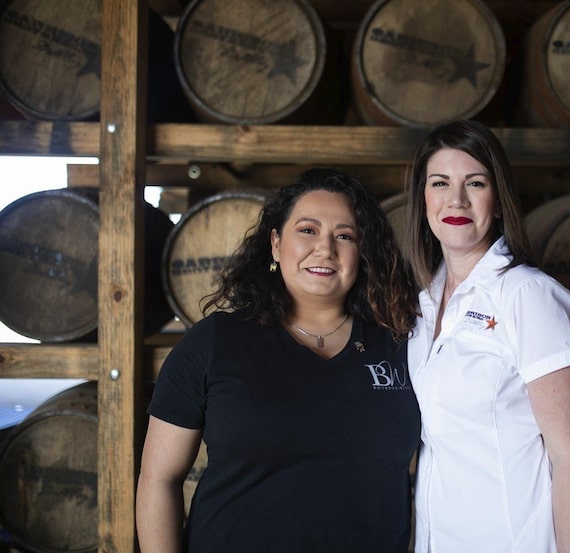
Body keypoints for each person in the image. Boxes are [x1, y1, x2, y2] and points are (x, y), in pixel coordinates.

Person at [136, 168, 421, 553]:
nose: (325, 248)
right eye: (308, 230)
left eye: (345, 235)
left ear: (362, 252)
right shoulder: (216, 342)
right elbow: (158, 479)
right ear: (275, 243)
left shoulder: (400, 344)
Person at [405, 120, 570, 552]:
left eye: (475, 183)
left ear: (497, 202)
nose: (456, 199)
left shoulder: (528, 295)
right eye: (440, 183)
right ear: (424, 199)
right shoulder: (422, 307)